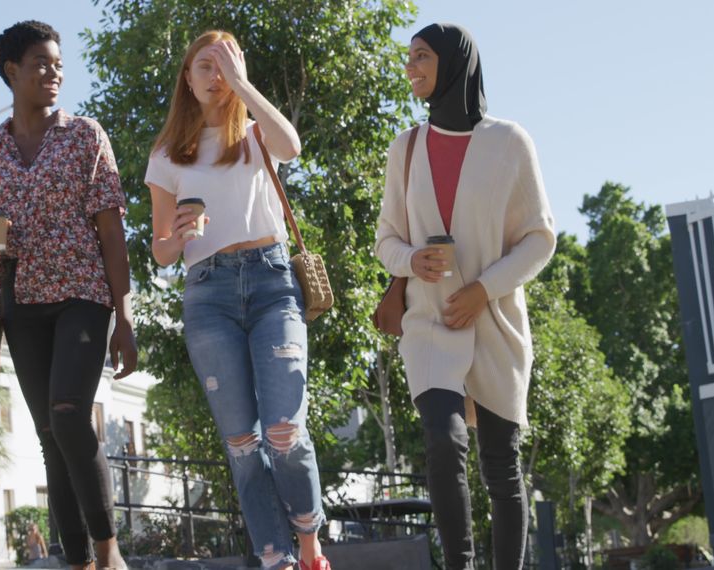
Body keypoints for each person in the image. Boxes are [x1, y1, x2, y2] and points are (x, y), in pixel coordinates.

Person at [145, 30, 331, 570]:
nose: (215, 74)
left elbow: (291, 146)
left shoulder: (253, 135)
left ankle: (309, 541)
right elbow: (160, 251)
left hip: (273, 283)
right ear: (187, 77)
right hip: (209, 294)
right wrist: (178, 235)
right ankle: (276, 559)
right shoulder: (167, 155)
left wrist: (245, 83)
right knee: (243, 443)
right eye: (205, 64)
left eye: (226, 63)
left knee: (284, 430)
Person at [375, 23, 556, 570]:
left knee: (501, 466)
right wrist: (411, 261)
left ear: (455, 62)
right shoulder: (404, 149)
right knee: (443, 442)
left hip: (496, 324)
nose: (410, 67)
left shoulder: (509, 142)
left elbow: (540, 238)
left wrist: (484, 289)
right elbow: (386, 241)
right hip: (429, 324)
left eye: (422, 57)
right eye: (408, 57)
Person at [0, 20, 136, 570]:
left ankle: (108, 549)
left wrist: (124, 318)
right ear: (11, 71)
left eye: (58, 63)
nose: (53, 72)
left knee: (67, 415)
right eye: (40, 62)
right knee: (47, 435)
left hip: (83, 295)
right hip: (23, 303)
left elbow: (112, 233)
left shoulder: (86, 136)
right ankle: (78, 560)